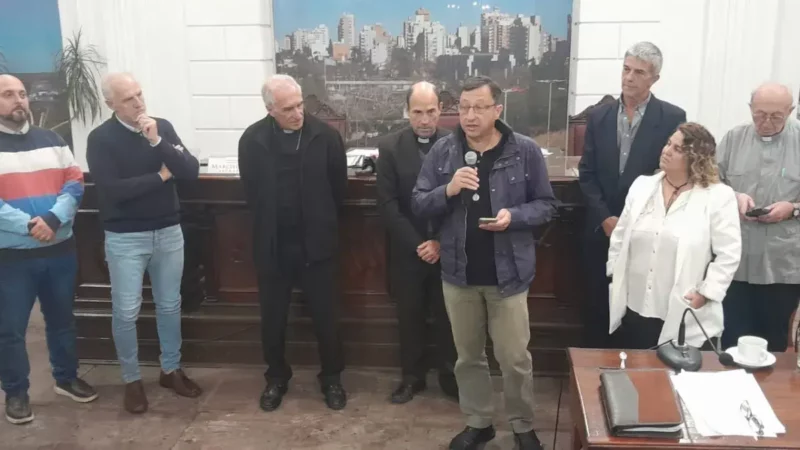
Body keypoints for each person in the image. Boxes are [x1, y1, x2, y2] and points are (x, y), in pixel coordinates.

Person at [413, 76, 556, 450]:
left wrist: (515, 216)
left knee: (514, 358)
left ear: (497, 110)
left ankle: (522, 425)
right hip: (458, 275)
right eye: (463, 107)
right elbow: (419, 202)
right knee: (468, 357)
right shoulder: (444, 152)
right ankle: (478, 422)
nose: (470, 116)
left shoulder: (524, 151)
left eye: (479, 107)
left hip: (508, 274)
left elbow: (547, 205)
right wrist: (448, 189)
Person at [86, 72, 202, 415]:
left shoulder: (161, 127)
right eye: (128, 99)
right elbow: (114, 191)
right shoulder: (101, 138)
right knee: (126, 310)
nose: (138, 103)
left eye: (139, 94)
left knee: (170, 304)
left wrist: (158, 142)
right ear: (111, 104)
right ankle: (132, 379)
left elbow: (190, 170)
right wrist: (161, 176)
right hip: (126, 236)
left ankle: (171, 369)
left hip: (168, 231)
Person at [238, 74, 348, 412]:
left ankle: (332, 378)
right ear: (270, 109)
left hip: (317, 244)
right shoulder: (252, 140)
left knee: (326, 318)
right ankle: (276, 378)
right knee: (273, 319)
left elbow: (338, 189)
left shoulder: (326, 137)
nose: (298, 113)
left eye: (300, 105)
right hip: (274, 245)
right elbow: (251, 193)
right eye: (288, 109)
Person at [0, 74, 98, 425]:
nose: (19, 100)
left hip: (59, 250)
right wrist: (30, 225)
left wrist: (53, 220)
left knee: (61, 320)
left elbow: (74, 182)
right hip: (12, 257)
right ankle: (16, 392)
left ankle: (66, 378)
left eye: (22, 94)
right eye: (8, 94)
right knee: (10, 329)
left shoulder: (53, 140)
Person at [578, 41, 687, 348]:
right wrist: (605, 218)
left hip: (645, 231)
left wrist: (629, 222)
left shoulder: (672, 117)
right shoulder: (599, 116)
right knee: (597, 306)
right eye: (626, 69)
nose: (629, 77)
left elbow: (670, 174)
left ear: (655, 78)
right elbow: (587, 173)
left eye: (639, 72)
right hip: (601, 227)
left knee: (636, 311)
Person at [607, 122, 741, 349]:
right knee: (637, 364)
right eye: (668, 144)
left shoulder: (718, 196)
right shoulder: (642, 187)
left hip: (684, 308)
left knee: (677, 368)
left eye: (677, 149)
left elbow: (729, 254)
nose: (667, 151)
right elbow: (620, 236)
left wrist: (707, 293)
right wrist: (614, 272)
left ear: (696, 159)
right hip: (635, 305)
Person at [376, 81, 458, 404]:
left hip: (447, 248)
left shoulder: (456, 144)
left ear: (441, 110)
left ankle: (451, 377)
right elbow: (387, 204)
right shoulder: (390, 147)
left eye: (431, 111)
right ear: (407, 112)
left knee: (449, 316)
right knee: (409, 316)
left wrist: (438, 242)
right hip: (408, 250)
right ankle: (412, 377)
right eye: (417, 112)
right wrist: (419, 244)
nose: (425, 120)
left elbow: (461, 201)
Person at [717, 82, 800, 352]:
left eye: (776, 117)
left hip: (781, 266)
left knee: (773, 343)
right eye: (760, 115)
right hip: (736, 261)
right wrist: (734, 196)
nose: (766, 122)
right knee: (732, 340)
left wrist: (792, 208)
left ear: (790, 111)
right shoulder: (734, 138)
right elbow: (710, 183)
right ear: (750, 108)